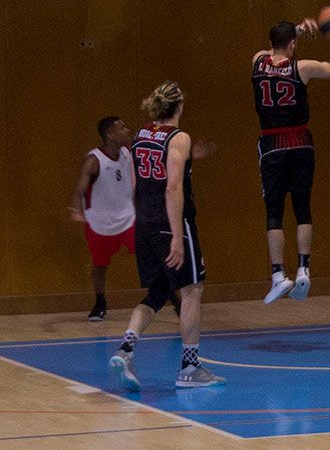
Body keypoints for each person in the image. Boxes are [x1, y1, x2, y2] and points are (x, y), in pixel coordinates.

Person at [109, 81, 222, 390]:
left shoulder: (141, 135)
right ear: (179, 107)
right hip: (170, 223)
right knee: (191, 290)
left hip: (144, 221)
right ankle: (190, 367)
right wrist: (175, 235)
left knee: (158, 291)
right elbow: (172, 186)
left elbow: (136, 180)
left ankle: (126, 348)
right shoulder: (178, 137)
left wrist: (141, 220)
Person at [252, 10, 330, 304]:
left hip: (272, 144)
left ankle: (277, 275)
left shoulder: (257, 63)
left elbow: (274, 45)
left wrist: (297, 30)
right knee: (303, 209)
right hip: (300, 142)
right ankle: (303, 270)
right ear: (292, 46)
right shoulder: (304, 67)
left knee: (274, 213)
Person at [70, 115, 136, 322]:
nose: (127, 130)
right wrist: (77, 210)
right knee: (99, 266)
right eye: (122, 128)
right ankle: (100, 302)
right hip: (100, 223)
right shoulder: (94, 160)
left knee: (151, 255)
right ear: (110, 135)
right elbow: (79, 190)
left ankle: (173, 300)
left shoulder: (128, 152)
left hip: (128, 218)